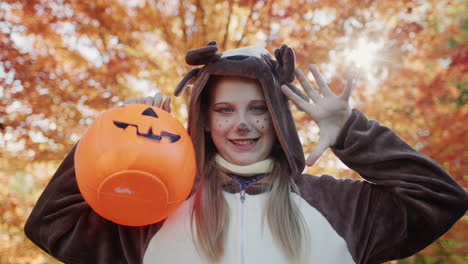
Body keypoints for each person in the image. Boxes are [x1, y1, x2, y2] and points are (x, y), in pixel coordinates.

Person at [24, 41, 467, 264]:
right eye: (224, 109)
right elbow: (52, 223)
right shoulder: (156, 209)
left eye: (258, 109)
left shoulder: (334, 205)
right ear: (204, 120)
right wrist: (113, 140)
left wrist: (351, 132)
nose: (241, 124)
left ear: (279, 117)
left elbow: (439, 198)